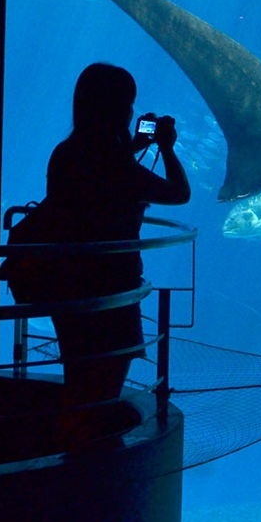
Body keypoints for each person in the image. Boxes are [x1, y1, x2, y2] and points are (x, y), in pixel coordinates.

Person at [44, 62, 190, 445]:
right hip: (113, 290)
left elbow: (91, 178)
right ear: (117, 111)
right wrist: (167, 149)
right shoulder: (118, 168)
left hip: (67, 286)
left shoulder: (66, 153)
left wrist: (133, 145)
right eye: (127, 105)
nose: (131, 114)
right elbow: (179, 193)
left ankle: (70, 449)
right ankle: (90, 462)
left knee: (79, 377)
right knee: (105, 387)